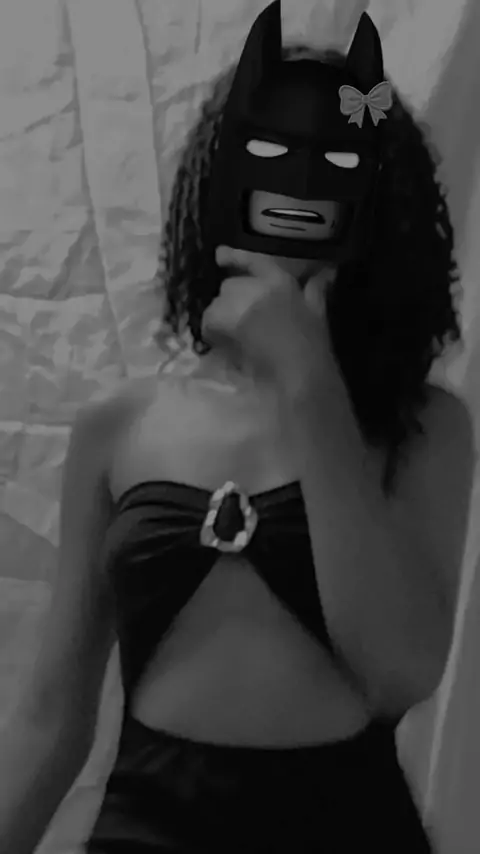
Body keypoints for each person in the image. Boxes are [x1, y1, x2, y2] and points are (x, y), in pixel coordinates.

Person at [0, 3, 474, 853]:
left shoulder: (425, 425)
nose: (300, 180)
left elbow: (399, 672)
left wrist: (309, 381)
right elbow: (49, 715)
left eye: (337, 159)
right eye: (269, 152)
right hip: (145, 832)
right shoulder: (122, 425)